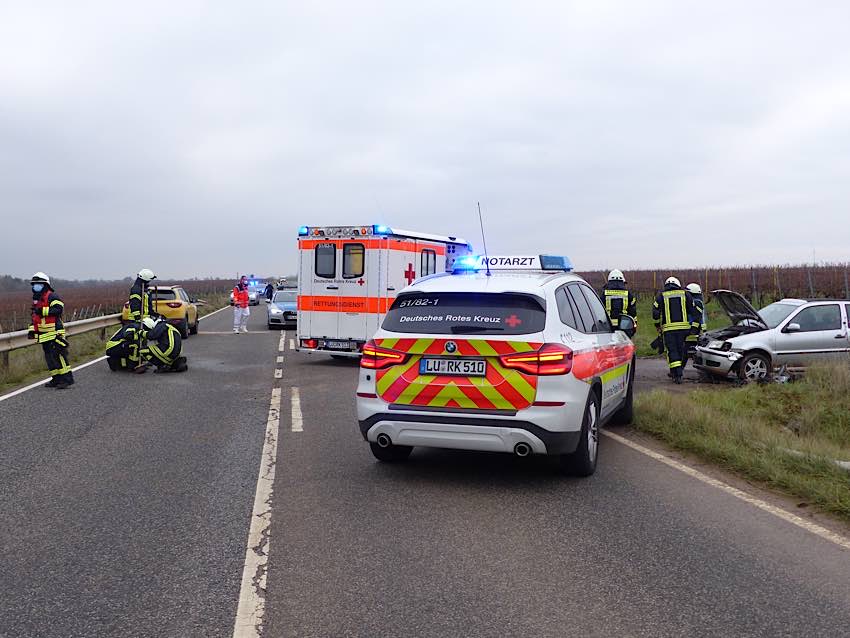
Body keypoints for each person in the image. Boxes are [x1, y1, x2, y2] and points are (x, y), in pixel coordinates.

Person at [27, 272, 75, 388]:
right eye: (34, 285)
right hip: (44, 335)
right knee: (49, 358)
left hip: (55, 333)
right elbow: (34, 317)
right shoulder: (37, 300)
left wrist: (42, 311)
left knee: (58, 356)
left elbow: (58, 309)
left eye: (39, 284)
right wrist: (32, 330)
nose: (36, 287)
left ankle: (67, 379)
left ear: (45, 285)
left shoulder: (52, 296)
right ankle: (56, 378)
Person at [652, 276, 699, 384]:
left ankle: (677, 374)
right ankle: (676, 372)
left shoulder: (661, 296)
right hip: (684, 330)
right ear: (678, 285)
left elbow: (655, 313)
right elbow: (694, 312)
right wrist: (694, 328)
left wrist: (657, 326)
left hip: (669, 330)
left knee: (672, 351)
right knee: (680, 350)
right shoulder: (685, 294)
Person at [684, 283, 706, 370]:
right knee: (695, 351)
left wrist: (692, 330)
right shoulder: (698, 301)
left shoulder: (696, 302)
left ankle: (679, 371)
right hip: (698, 330)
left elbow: (696, 318)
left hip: (695, 330)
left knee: (686, 351)